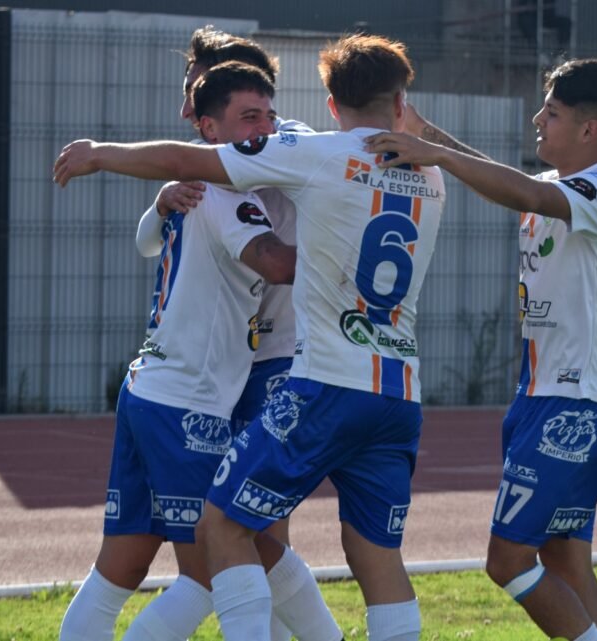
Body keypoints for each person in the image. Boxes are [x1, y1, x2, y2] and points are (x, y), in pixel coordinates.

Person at [54, 33, 445, 641]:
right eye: (196, 91)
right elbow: (159, 231)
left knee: (229, 536)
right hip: (377, 384)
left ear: (321, 103)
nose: (189, 110)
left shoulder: (295, 151)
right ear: (398, 103)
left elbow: (259, 241)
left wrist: (104, 155)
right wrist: (159, 206)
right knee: (297, 551)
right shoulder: (428, 173)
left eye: (254, 109)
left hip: (285, 371)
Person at [365, 58, 597, 641]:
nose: (539, 119)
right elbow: (508, 180)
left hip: (573, 404)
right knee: (566, 561)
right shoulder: (563, 187)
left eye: (554, 112)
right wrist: (431, 134)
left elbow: (518, 189)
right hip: (548, 397)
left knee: (507, 561)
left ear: (590, 131)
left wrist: (437, 155)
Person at [59, 62, 339, 641]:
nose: (261, 128)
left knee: (123, 567)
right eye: (247, 118)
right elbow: (280, 265)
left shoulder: (215, 173)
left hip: (148, 389)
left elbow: (147, 242)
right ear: (209, 128)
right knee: (223, 562)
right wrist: (355, 238)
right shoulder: (222, 189)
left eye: (268, 114)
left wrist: (161, 203)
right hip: (188, 404)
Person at [135, 26, 326, 641]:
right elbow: (146, 241)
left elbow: (279, 259)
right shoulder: (207, 175)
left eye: (198, 91)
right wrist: (162, 200)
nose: (187, 107)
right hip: (220, 370)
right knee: (239, 535)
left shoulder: (284, 142)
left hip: (272, 358)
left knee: (252, 531)